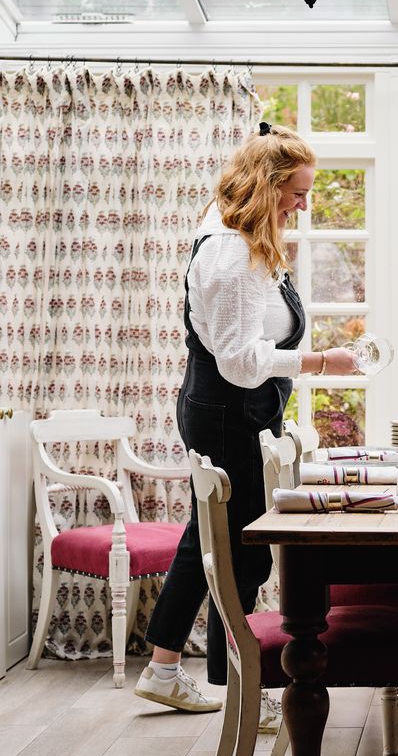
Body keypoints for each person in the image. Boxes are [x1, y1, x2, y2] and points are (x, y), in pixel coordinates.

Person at [135, 123, 359, 722]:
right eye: (297, 191)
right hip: (228, 409)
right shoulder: (233, 253)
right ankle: (242, 686)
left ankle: (166, 668)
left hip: (231, 409)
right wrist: (318, 361)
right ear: (265, 187)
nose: (304, 204)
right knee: (243, 552)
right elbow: (239, 363)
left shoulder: (242, 236)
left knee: (208, 538)